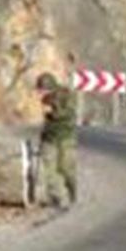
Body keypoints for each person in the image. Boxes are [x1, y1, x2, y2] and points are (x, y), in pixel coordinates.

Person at [36, 72, 78, 208]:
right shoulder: (45, 99)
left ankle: (72, 190)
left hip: (65, 136)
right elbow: (46, 122)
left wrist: (53, 112)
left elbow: (69, 114)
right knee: (49, 169)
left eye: (42, 89)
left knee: (65, 168)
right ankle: (56, 197)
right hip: (50, 137)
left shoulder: (65, 95)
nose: (40, 92)